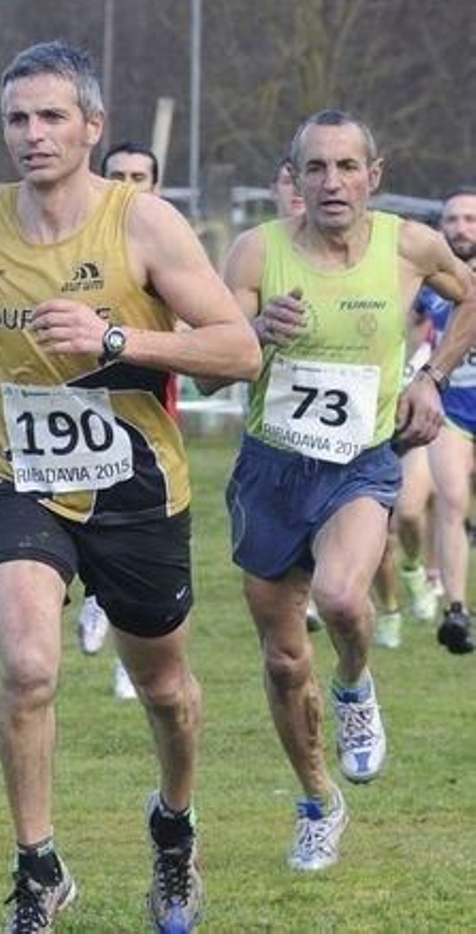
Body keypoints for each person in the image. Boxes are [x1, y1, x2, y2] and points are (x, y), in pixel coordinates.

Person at [0, 40, 260, 933]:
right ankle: (38, 867)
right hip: (20, 474)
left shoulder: (143, 224)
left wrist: (118, 342)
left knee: (166, 690)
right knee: (29, 664)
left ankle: (174, 829)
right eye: (18, 119)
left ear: (93, 127)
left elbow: (237, 349)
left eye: (52, 117)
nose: (33, 135)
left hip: (135, 483)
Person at [205, 110, 476, 873]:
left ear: (374, 174)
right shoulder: (255, 251)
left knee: (344, 597)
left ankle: (356, 684)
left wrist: (432, 375)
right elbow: (207, 368)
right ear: (293, 178)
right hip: (271, 468)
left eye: (346, 167)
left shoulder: (410, 245)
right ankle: (319, 798)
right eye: (314, 168)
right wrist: (256, 332)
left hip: (359, 460)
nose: (332, 182)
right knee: (286, 661)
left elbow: (469, 297)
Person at [81, 140, 171, 701]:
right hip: (72, 410)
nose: (129, 183)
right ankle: (94, 597)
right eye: (118, 174)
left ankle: (129, 658)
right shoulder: (69, 236)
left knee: (129, 534)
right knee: (84, 516)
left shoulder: (165, 240)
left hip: (146, 413)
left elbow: (207, 330)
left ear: (157, 186)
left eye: (141, 175)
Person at [418, 188, 476, 653]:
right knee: (453, 500)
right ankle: (456, 611)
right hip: (451, 408)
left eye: (471, 219)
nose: (461, 228)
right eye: (452, 219)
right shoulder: (432, 284)